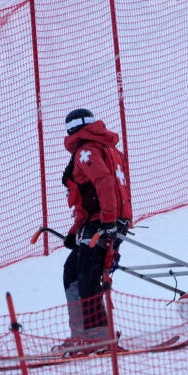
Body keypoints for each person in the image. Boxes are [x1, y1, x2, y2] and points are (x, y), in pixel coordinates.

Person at [56, 108, 133, 353]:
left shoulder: (86, 151)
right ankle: (88, 332)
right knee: (73, 271)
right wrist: (74, 230)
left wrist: (108, 221)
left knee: (86, 277)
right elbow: (90, 196)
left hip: (102, 225)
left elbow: (104, 183)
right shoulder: (109, 149)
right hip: (110, 222)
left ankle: (96, 337)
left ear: (71, 130)